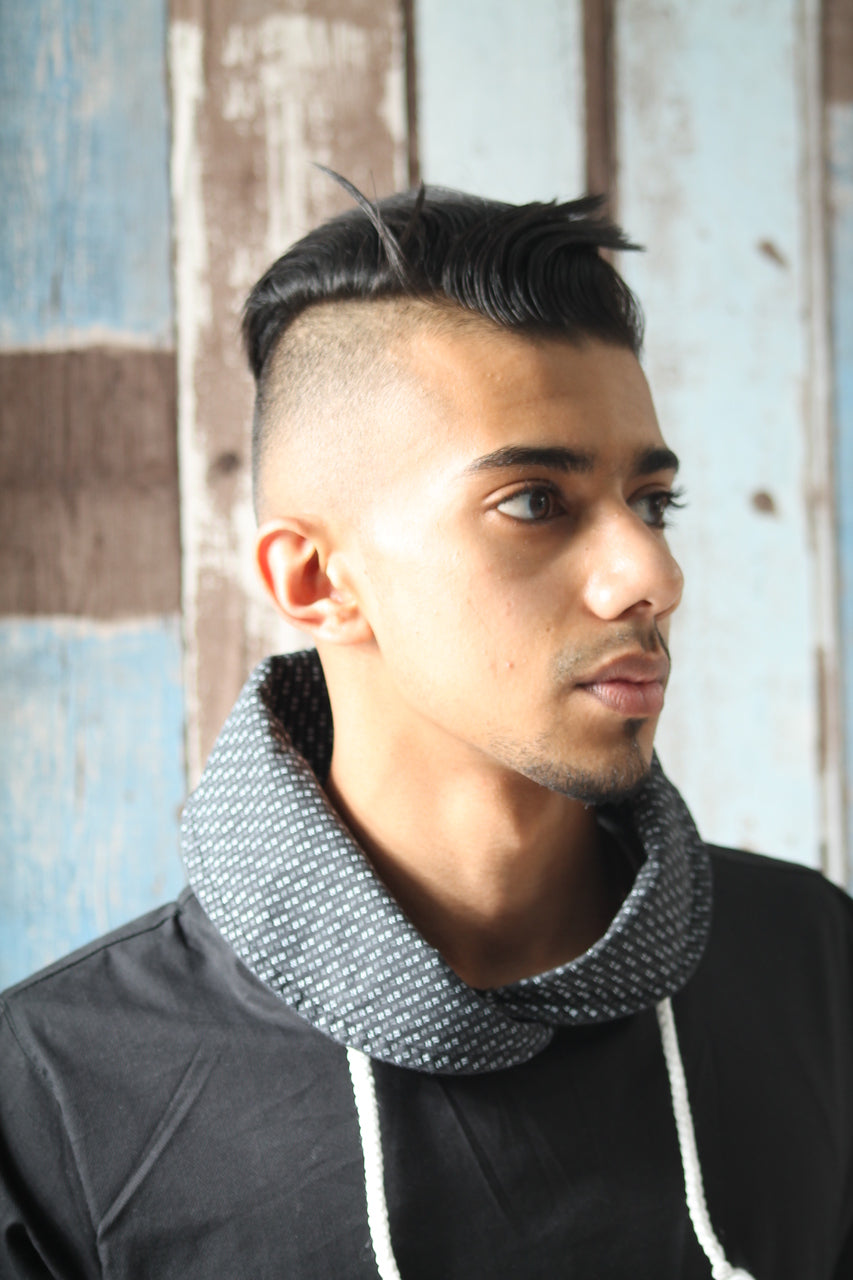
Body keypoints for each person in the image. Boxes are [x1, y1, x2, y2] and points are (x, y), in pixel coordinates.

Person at [2, 183, 852, 1280]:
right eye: (535, 501)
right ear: (317, 580)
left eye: (652, 502)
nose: (652, 573)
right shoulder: (52, 1097)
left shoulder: (810, 962)